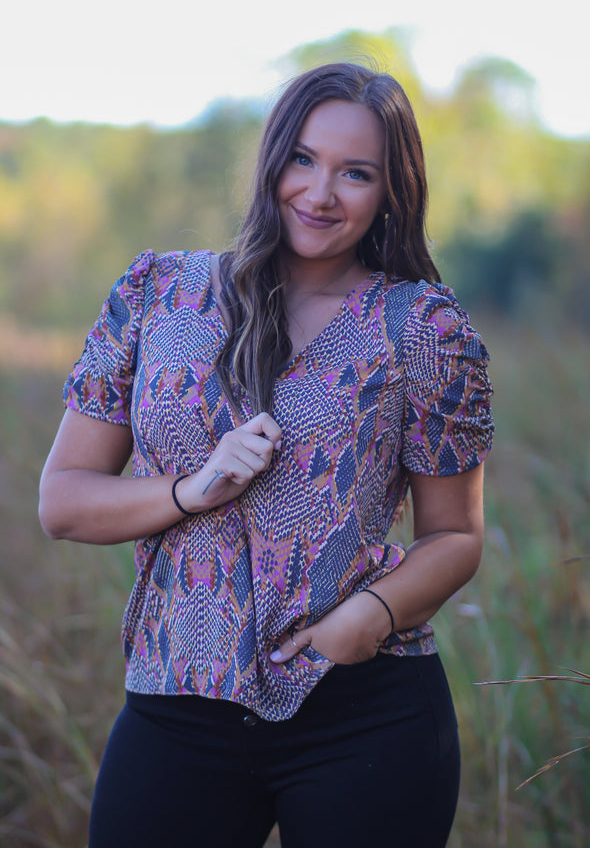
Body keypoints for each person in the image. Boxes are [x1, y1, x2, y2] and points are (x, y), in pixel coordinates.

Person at [39, 62, 494, 847]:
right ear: (273, 159)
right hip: (178, 700)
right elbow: (64, 501)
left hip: (364, 708)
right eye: (303, 160)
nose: (320, 194)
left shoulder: (421, 327)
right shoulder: (158, 296)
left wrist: (370, 616)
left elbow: (456, 535)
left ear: (391, 190)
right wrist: (192, 488)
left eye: (356, 173)